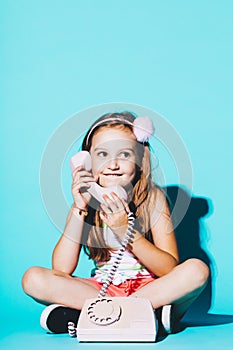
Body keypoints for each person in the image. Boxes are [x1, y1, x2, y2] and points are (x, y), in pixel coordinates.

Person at [22, 111, 209, 337]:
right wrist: (79, 207)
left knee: (196, 271)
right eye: (102, 154)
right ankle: (144, 316)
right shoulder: (87, 203)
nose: (113, 164)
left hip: (150, 289)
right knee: (33, 279)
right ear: (86, 162)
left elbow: (168, 268)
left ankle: (89, 316)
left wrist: (125, 231)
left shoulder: (153, 199)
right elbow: (61, 269)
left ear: (140, 160)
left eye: (124, 154)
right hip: (102, 289)